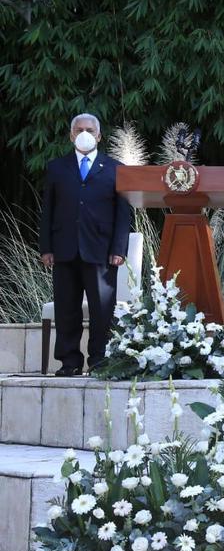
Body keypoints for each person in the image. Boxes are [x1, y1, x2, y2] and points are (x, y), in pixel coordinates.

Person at [39, 113, 131, 376]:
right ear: (71, 135)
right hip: (65, 248)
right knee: (67, 309)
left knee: (102, 311)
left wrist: (119, 249)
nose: (84, 133)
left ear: (99, 135)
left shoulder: (115, 168)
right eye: (79, 129)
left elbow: (124, 214)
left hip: (101, 252)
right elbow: (48, 211)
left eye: (90, 129)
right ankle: (70, 362)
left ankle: (100, 361)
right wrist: (46, 247)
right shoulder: (57, 167)